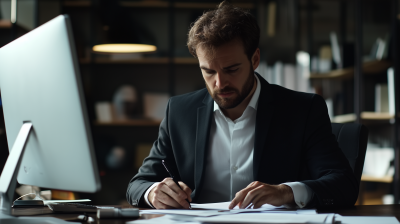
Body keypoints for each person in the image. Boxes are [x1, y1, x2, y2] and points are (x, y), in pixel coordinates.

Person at [126, 1, 357, 209]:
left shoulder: (303, 110)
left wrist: (285, 192)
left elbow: (343, 185)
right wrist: (152, 192)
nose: (219, 82)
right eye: (208, 71)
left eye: (231, 69)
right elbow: (138, 184)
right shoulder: (178, 112)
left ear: (254, 59)